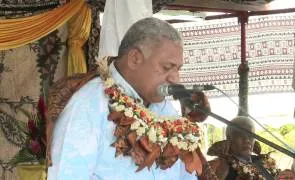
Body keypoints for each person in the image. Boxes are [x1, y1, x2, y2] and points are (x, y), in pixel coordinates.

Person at [47, 17, 199, 179]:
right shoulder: (90, 105)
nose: (175, 79)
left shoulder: (167, 111)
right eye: (167, 67)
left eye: (178, 69)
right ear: (135, 59)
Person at [201, 116, 285, 180]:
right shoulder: (218, 166)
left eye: (250, 135)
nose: (247, 140)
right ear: (229, 138)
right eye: (240, 135)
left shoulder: (263, 161)